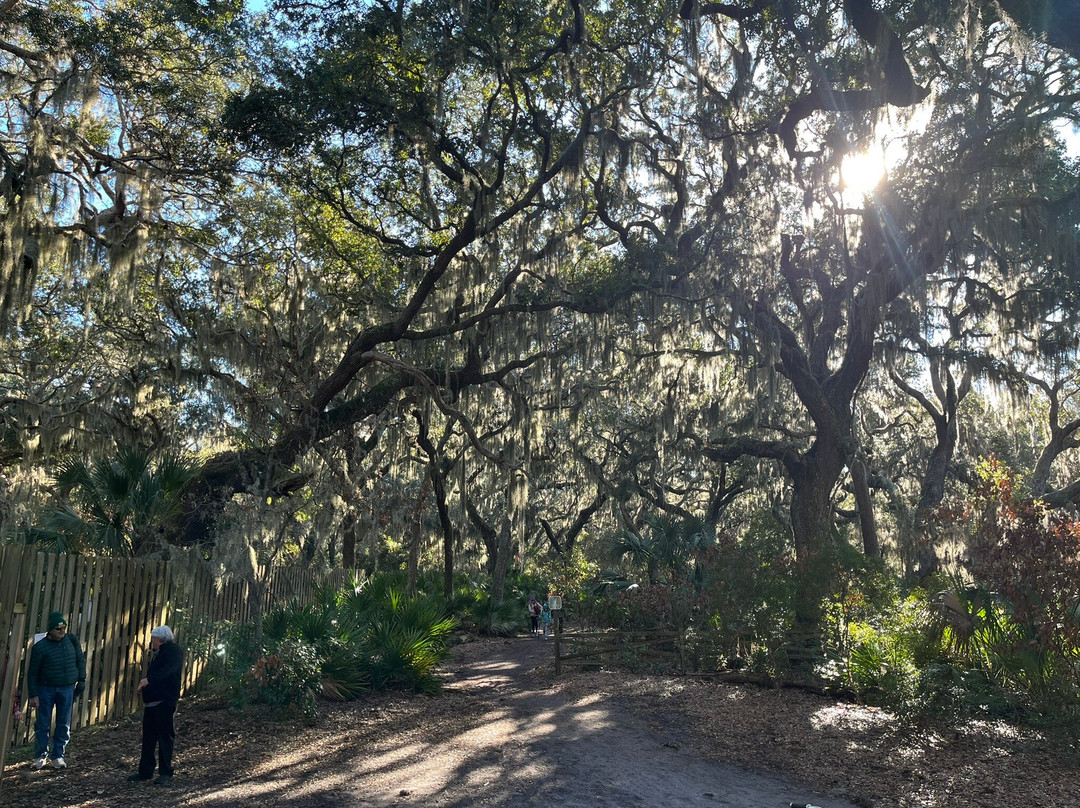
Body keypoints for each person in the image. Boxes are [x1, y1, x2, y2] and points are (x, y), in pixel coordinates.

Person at [26, 610, 86, 770]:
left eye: (63, 628)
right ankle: (40, 756)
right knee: (43, 723)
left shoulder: (71, 640)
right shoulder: (40, 647)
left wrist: (81, 679)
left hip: (67, 688)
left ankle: (58, 755)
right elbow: (32, 672)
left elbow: (80, 660)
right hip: (46, 688)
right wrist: (33, 694)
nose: (61, 632)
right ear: (51, 630)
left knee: (63, 723)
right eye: (58, 629)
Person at [129, 625, 183, 785]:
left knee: (165, 737)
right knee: (149, 738)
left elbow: (168, 671)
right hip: (152, 703)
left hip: (165, 702)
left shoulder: (173, 651)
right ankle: (145, 771)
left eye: (153, 638)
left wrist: (149, 681)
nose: (151, 641)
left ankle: (166, 772)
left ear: (159, 639)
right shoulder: (160, 653)